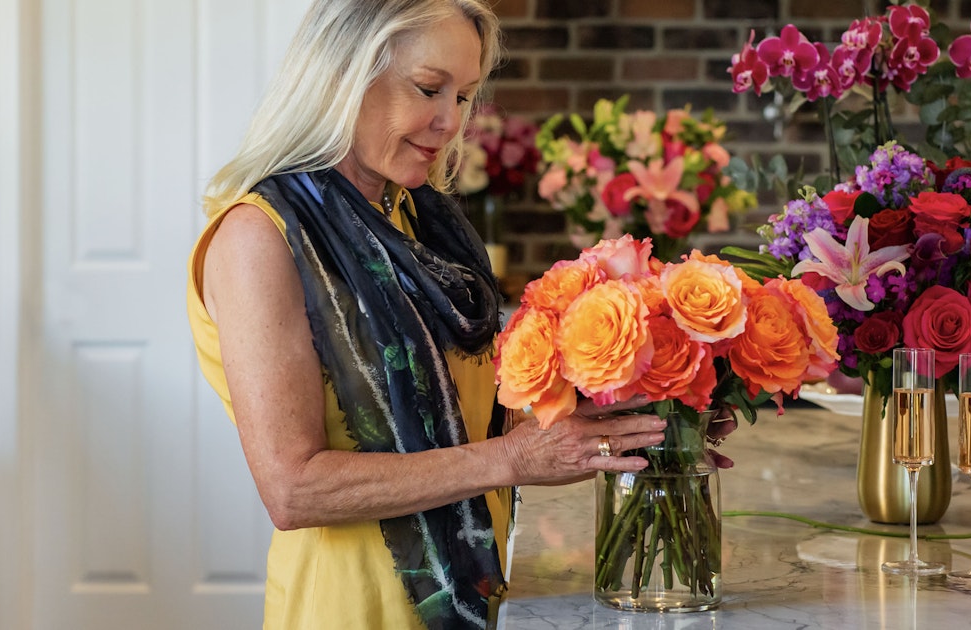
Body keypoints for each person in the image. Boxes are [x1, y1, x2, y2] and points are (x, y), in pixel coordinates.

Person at [185, 1, 674, 628]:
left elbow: (458, 414)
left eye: (466, 96)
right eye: (428, 89)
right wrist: (513, 460)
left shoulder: (417, 219)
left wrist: (632, 415)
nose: (451, 123)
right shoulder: (259, 238)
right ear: (341, 77)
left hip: (478, 590)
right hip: (352, 610)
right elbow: (293, 488)